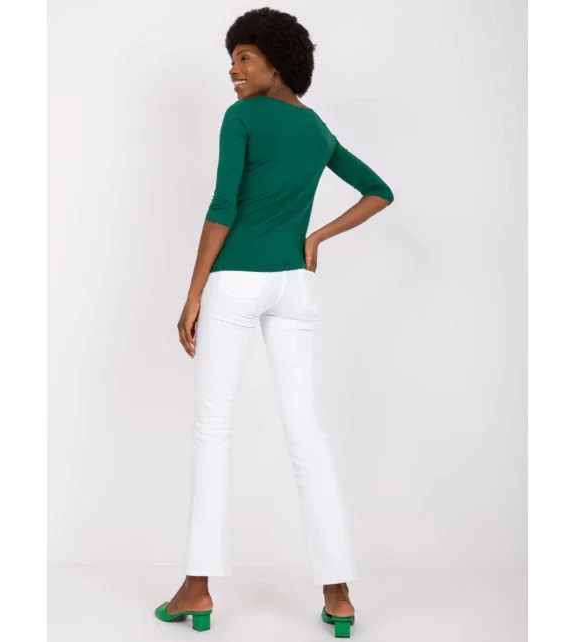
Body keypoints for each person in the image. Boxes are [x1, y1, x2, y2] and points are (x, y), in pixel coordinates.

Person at [154, 7, 393, 637]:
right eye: (231, 59)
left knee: (214, 428)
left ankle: (197, 588)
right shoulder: (316, 129)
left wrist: (193, 293)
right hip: (294, 288)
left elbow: (222, 206)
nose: (232, 71)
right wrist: (316, 237)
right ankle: (338, 593)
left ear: (277, 64)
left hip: (235, 282)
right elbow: (378, 191)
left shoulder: (242, 118)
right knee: (306, 432)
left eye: (244, 58)